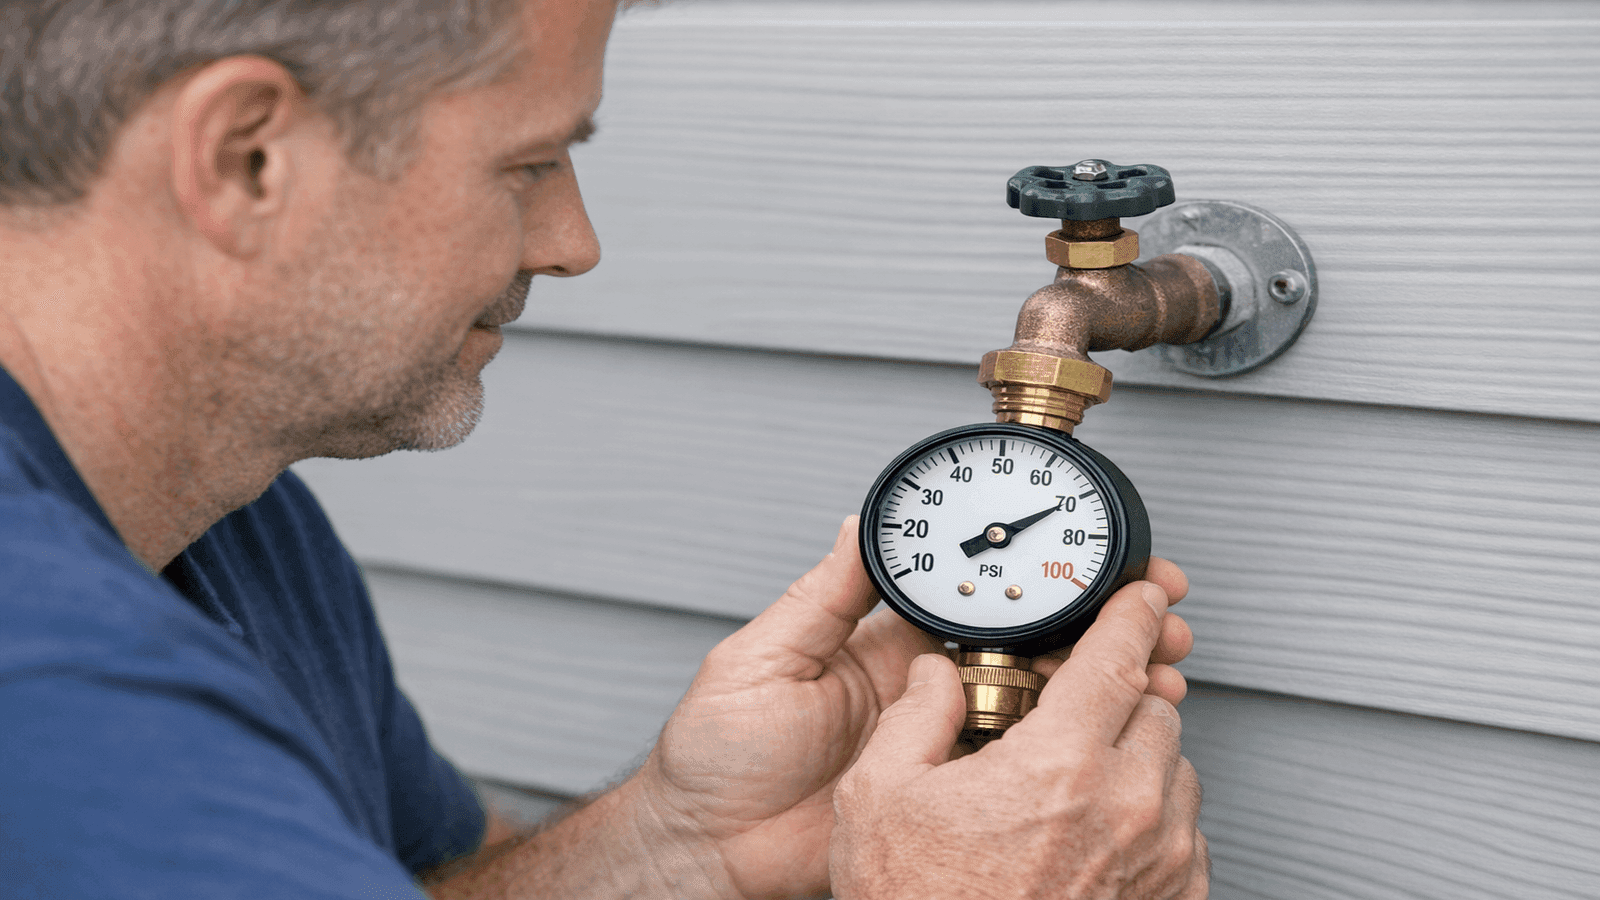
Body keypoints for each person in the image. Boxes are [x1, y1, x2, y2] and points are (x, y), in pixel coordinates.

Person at [0, 0, 1207, 897]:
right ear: (245, 157)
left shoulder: (218, 509)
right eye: (526, 161)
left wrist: (679, 845)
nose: (573, 243)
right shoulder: (61, 702)